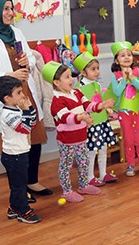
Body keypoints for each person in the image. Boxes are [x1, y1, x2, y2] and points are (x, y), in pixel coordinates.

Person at [0, 0, 52, 198]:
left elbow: (31, 58)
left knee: (33, 138)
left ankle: (32, 182)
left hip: (25, 92)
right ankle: (19, 191)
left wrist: (27, 62)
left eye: (11, 8)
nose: (10, 13)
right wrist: (6, 75)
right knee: (14, 147)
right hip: (6, 98)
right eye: (5, 9)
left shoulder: (15, 31)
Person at [42, 62, 114, 203]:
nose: (72, 79)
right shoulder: (57, 100)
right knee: (66, 165)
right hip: (67, 141)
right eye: (67, 77)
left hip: (81, 137)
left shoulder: (76, 92)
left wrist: (101, 105)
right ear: (56, 82)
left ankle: (83, 185)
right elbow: (65, 117)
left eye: (71, 76)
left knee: (84, 162)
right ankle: (67, 191)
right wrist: (81, 117)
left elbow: (88, 105)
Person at [0, 75, 41, 224]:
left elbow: (32, 124)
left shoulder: (17, 109)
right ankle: (23, 211)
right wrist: (26, 111)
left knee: (18, 184)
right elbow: (25, 129)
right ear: (7, 98)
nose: (22, 95)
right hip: (14, 156)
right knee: (19, 185)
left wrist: (29, 108)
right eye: (18, 93)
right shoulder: (8, 114)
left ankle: (14, 207)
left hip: (20, 153)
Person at [73, 52, 118, 186]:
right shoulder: (79, 89)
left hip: (102, 121)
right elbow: (81, 107)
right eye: (93, 69)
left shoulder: (97, 84)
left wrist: (107, 109)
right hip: (91, 124)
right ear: (83, 72)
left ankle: (103, 174)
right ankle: (90, 177)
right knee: (91, 152)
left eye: (97, 68)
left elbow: (99, 101)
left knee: (103, 148)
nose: (97, 72)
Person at [110, 41, 139, 177]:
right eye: (122, 55)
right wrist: (123, 78)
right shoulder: (115, 75)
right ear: (117, 60)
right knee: (128, 139)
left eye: (129, 54)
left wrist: (132, 78)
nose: (126, 57)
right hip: (124, 112)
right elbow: (116, 92)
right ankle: (131, 164)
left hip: (138, 110)